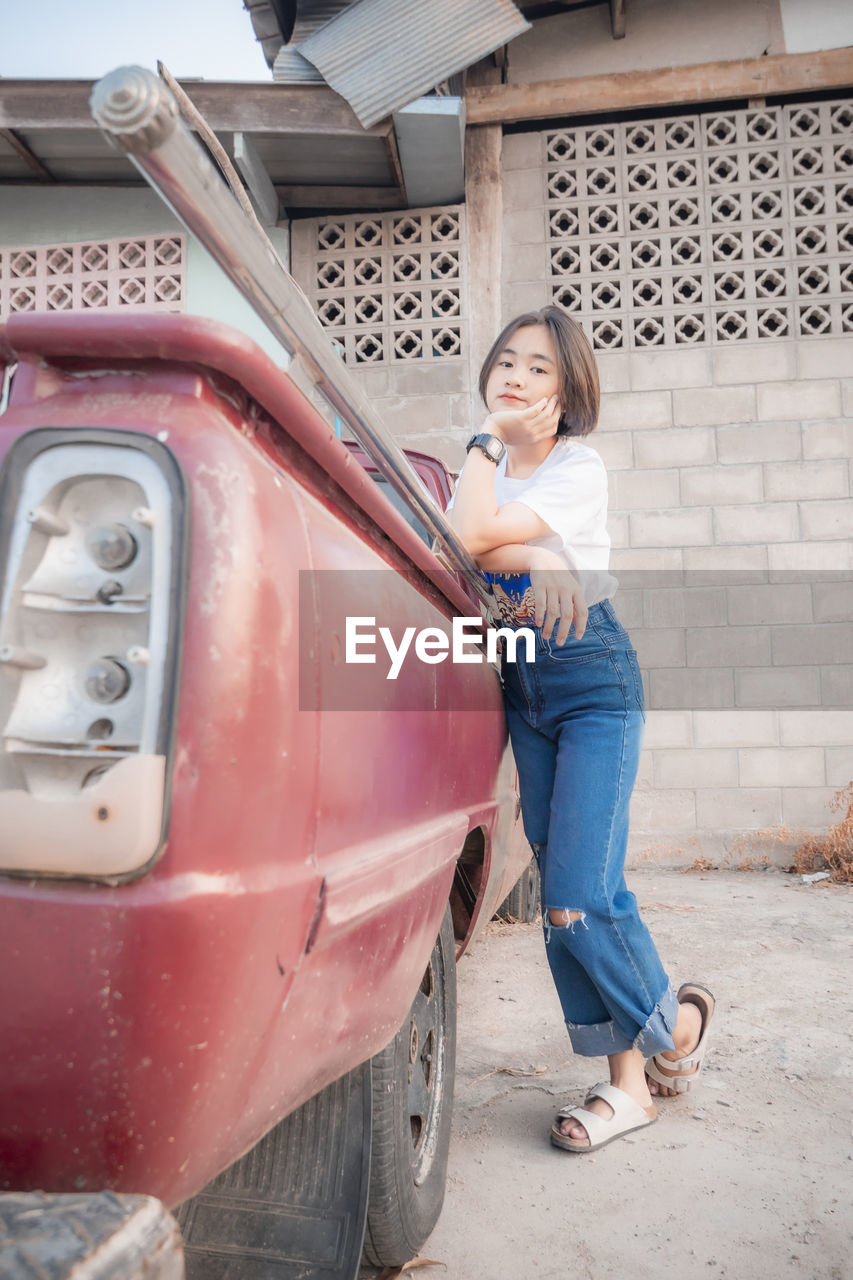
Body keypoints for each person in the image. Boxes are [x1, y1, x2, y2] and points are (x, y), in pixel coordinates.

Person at [447, 306, 714, 1153]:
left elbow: (475, 538)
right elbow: (458, 541)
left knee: (575, 899)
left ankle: (664, 1041)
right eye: (507, 362)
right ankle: (646, 1065)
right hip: (522, 689)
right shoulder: (482, 471)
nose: (516, 377)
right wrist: (544, 552)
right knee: (580, 895)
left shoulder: (577, 466)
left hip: (591, 680)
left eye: (537, 369)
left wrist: (519, 538)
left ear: (565, 396)